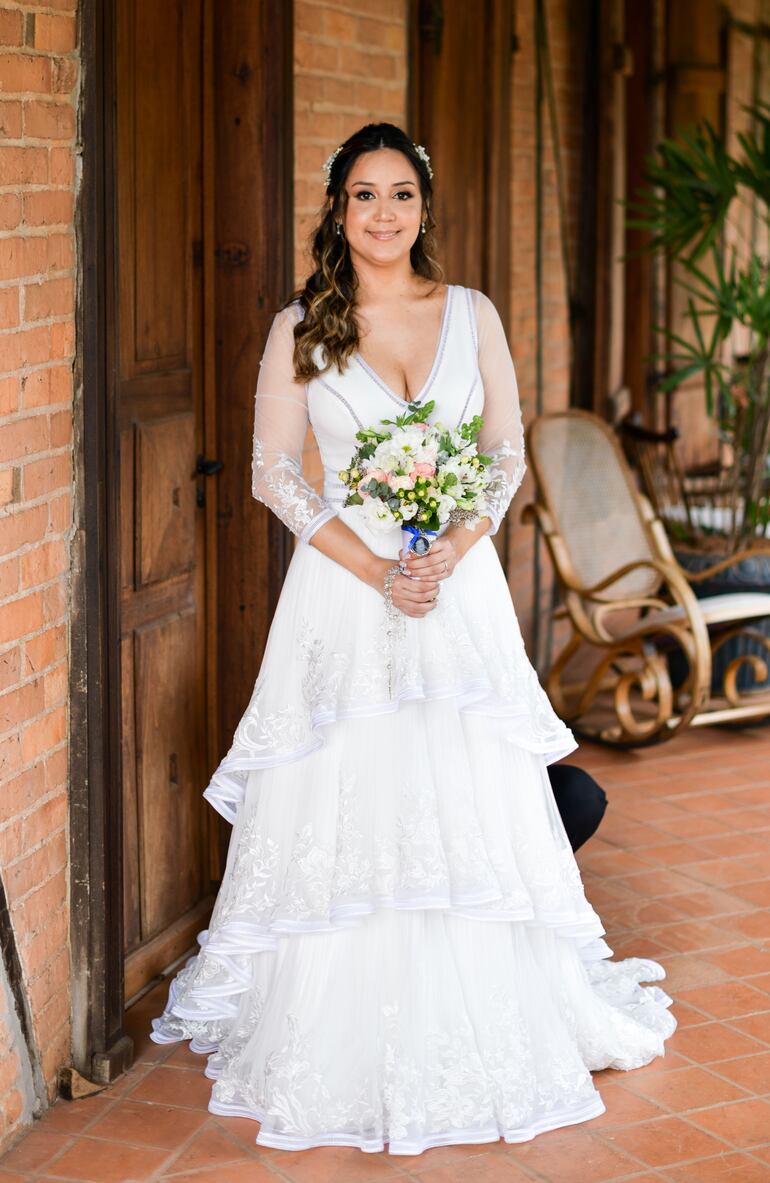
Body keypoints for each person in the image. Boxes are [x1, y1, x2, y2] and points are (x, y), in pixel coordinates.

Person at [151, 123, 674, 1155]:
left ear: (423, 207)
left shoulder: (472, 314)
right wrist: (379, 568)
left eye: (400, 194)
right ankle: (336, 1019)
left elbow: (502, 453)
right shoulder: (301, 325)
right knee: (354, 779)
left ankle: (486, 1001)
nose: (382, 213)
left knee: (459, 779)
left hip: (455, 592)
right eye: (364, 195)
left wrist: (450, 550)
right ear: (337, 209)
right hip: (346, 595)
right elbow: (273, 473)